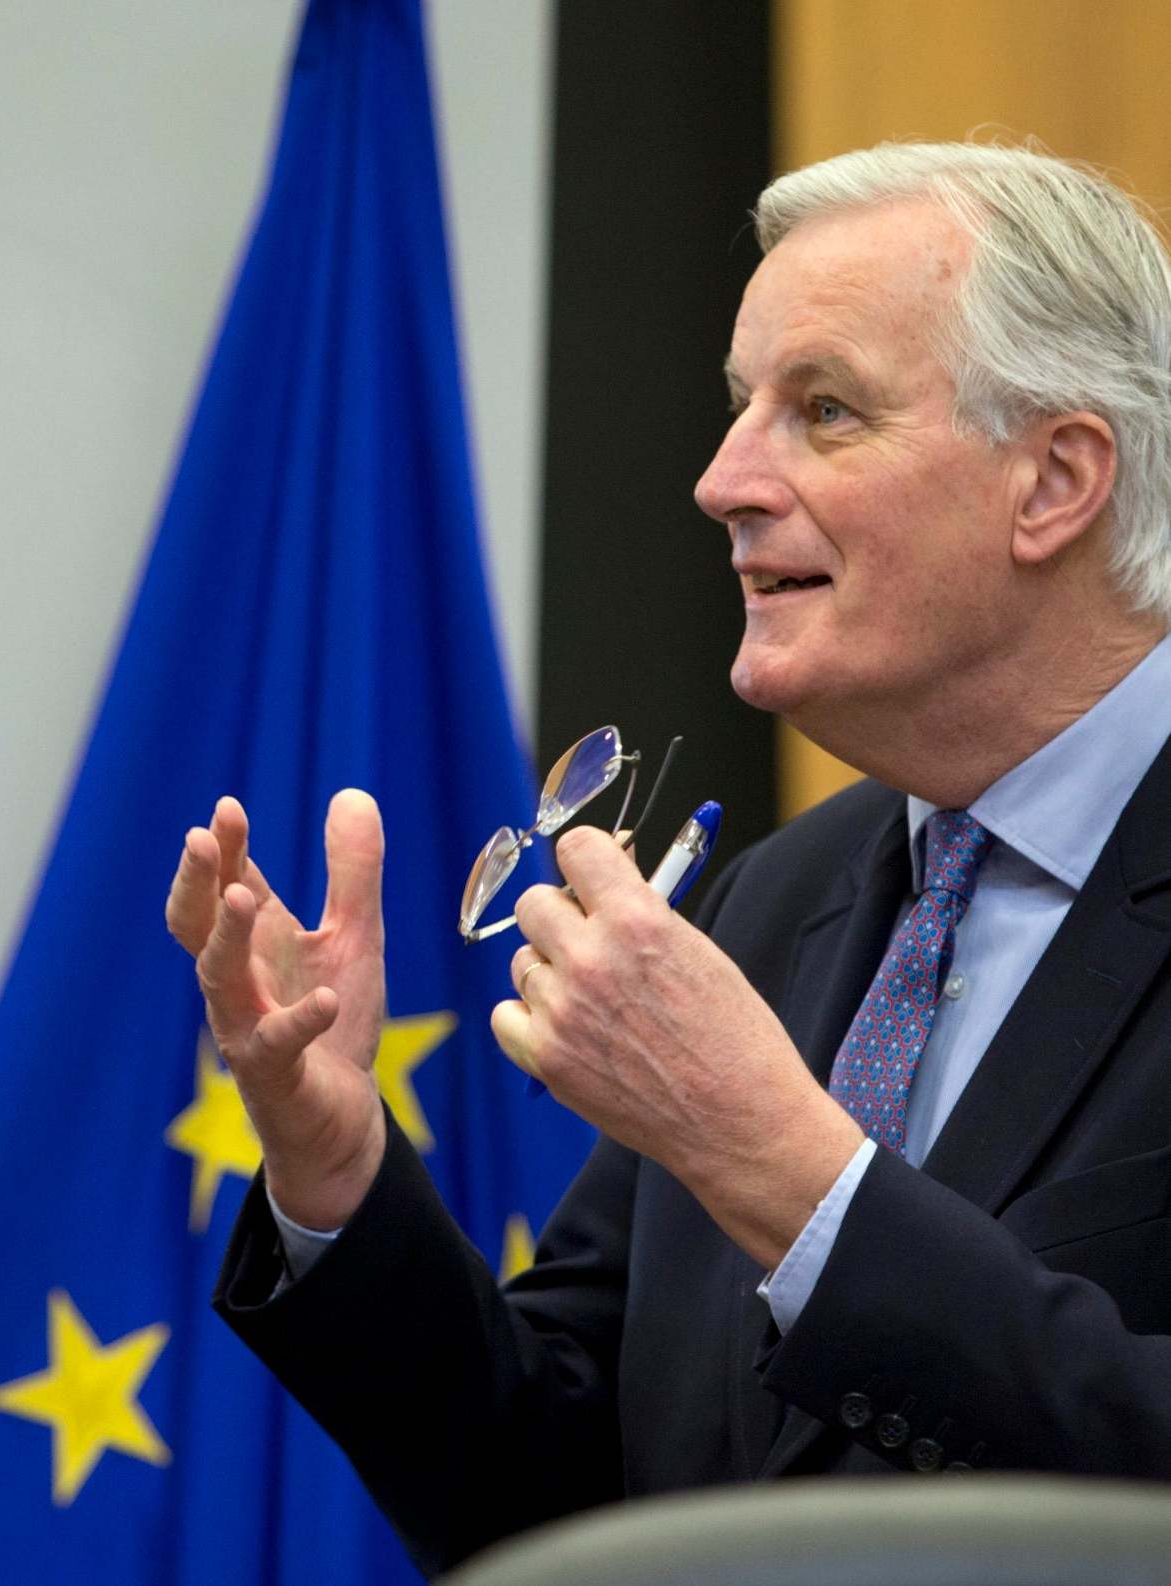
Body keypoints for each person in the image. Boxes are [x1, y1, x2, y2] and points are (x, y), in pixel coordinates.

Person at [166, 140, 1171, 1577]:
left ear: (1055, 480)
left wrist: (786, 1169)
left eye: (823, 410)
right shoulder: (777, 903)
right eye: (738, 408)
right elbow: (557, 1492)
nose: (720, 480)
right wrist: (338, 1174)